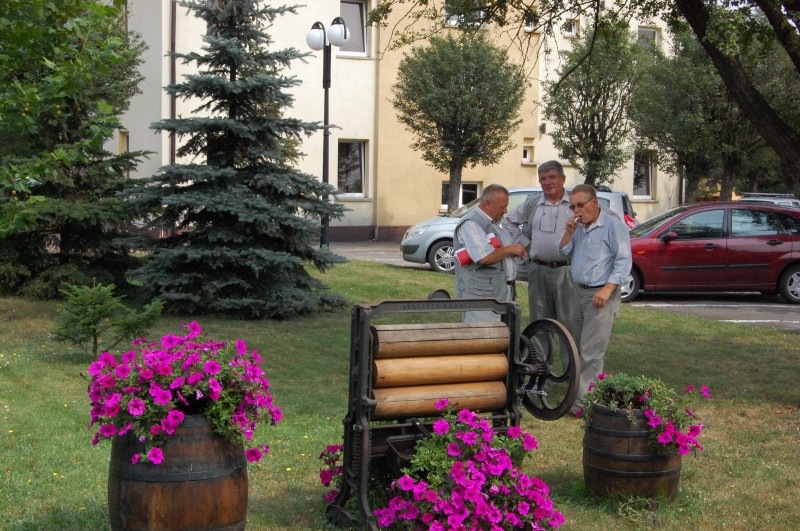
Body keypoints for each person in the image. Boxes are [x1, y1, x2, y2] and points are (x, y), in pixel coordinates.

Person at [558, 184, 632, 411]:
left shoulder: (612, 225)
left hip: (600, 294)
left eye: (581, 205)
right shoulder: (579, 227)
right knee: (575, 347)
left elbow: (623, 261)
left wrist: (607, 289)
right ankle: (578, 395)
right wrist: (569, 231)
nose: (577, 210)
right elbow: (562, 252)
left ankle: (585, 403)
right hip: (577, 291)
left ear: (594, 202)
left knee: (592, 351)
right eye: (573, 206)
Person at [502, 160, 577, 338]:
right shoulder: (532, 203)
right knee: (539, 323)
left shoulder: (575, 203)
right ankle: (541, 365)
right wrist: (527, 244)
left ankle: (571, 365)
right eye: (543, 178)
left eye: (552, 177)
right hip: (537, 270)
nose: (547, 182)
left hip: (568, 271)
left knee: (570, 324)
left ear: (563, 179)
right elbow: (507, 221)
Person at [454, 184, 527, 322]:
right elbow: (484, 257)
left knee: (499, 338)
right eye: (502, 206)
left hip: (499, 292)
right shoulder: (471, 224)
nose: (505, 211)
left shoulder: (492, 223)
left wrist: (515, 251)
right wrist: (511, 249)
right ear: (488, 204)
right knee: (481, 339)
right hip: (481, 297)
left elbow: (499, 250)